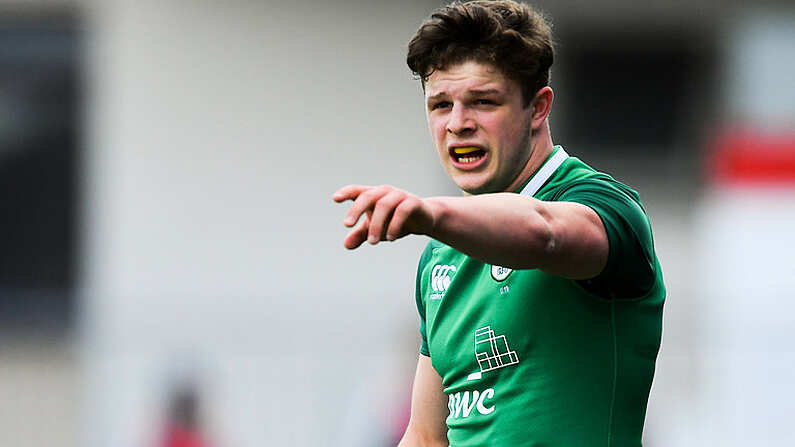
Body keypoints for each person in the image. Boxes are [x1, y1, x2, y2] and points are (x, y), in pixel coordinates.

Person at [333, 1, 665, 445]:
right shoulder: (442, 251)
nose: (457, 124)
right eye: (440, 105)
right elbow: (427, 435)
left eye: (482, 102)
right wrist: (438, 224)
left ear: (539, 108)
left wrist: (432, 213)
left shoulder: (605, 205)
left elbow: (545, 233)